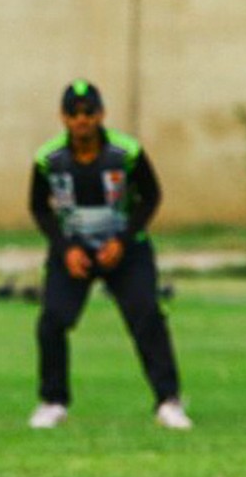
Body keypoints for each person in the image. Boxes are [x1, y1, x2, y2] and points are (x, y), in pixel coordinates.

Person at [28, 80, 192, 430]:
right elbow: (39, 207)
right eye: (74, 113)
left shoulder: (126, 152)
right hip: (74, 252)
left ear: (101, 114)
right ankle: (53, 401)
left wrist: (123, 240)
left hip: (124, 251)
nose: (82, 120)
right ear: (63, 117)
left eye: (89, 112)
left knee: (147, 317)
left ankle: (169, 400)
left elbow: (151, 196)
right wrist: (65, 248)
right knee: (52, 321)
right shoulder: (48, 159)